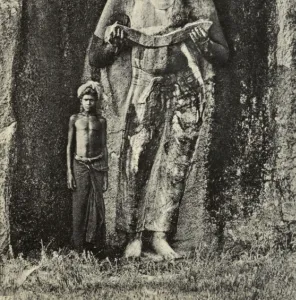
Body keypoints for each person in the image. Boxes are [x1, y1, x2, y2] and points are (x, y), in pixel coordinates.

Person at [89, 0, 228, 259]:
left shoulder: (197, 2)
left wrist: (204, 44)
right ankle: (132, 236)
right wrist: (115, 41)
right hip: (145, 80)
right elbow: (95, 55)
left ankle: (160, 234)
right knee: (136, 161)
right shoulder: (124, 2)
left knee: (177, 162)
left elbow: (222, 53)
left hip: (186, 83)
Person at [66, 81, 108, 252]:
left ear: (96, 101)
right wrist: (69, 172)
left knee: (98, 207)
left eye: (91, 100)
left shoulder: (101, 121)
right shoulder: (74, 119)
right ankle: (78, 248)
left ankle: (96, 248)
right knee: (79, 205)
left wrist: (105, 175)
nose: (89, 103)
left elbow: (104, 147)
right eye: (86, 100)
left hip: (97, 165)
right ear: (81, 101)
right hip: (80, 165)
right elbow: (69, 146)